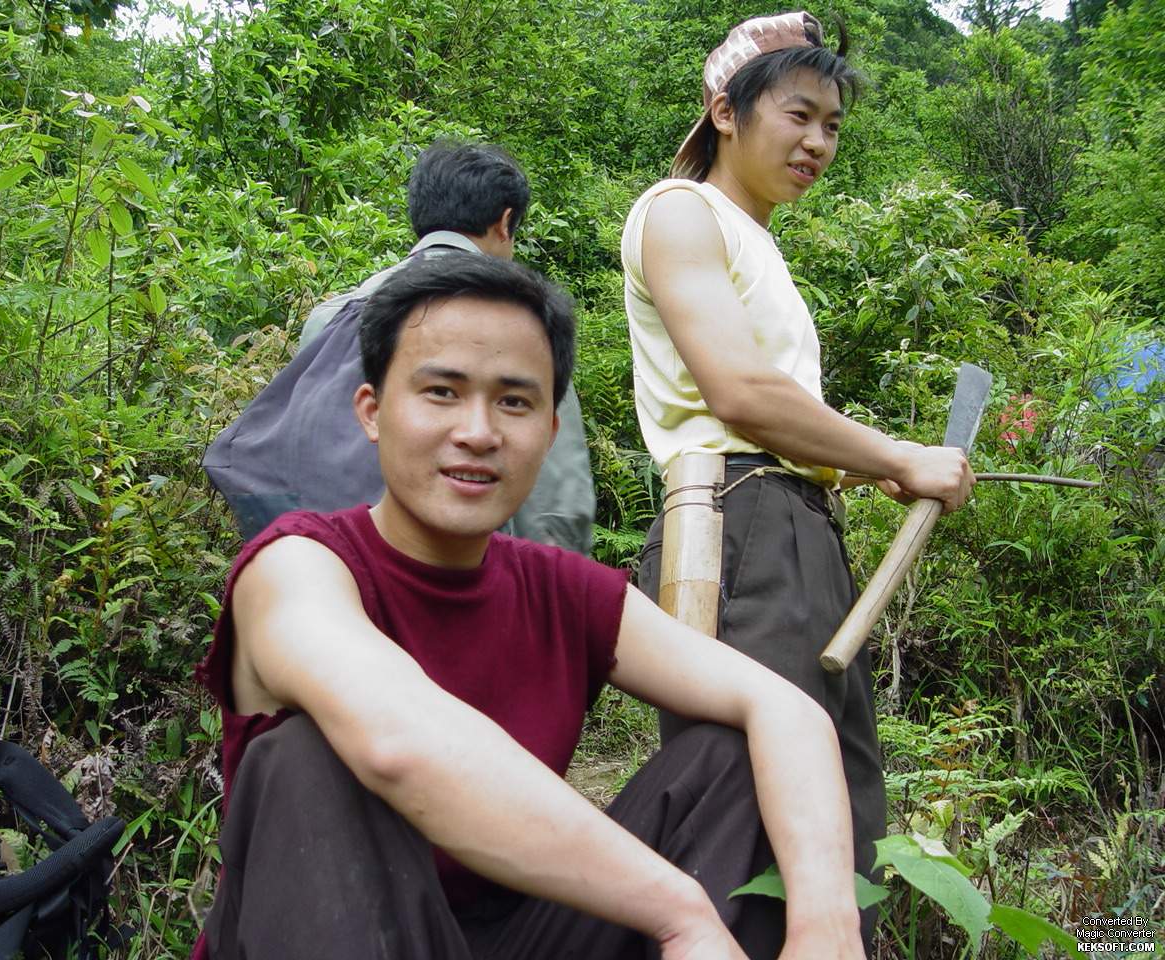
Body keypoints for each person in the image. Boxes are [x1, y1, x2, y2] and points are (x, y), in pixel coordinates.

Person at [193, 252, 866, 960]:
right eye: (442, 392)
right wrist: (679, 911)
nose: (478, 432)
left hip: (522, 937)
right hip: (343, 933)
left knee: (734, 755)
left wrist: (827, 924)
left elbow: (785, 709)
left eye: (513, 402)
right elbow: (396, 740)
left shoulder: (562, 589)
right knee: (305, 756)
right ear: (372, 411)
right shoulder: (296, 566)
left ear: (548, 432)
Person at [621, 10, 977, 951]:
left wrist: (855, 468)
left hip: (788, 524)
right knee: (746, 803)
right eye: (798, 115)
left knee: (836, 806)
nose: (818, 142)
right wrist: (896, 455)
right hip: (738, 528)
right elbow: (739, 394)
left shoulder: (752, 240)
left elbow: (772, 412)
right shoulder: (681, 212)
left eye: (832, 126)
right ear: (725, 112)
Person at [299, 139, 596, 553]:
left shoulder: (329, 317)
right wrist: (557, 577)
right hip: (465, 566)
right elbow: (556, 502)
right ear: (505, 222)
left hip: (335, 558)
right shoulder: (518, 324)